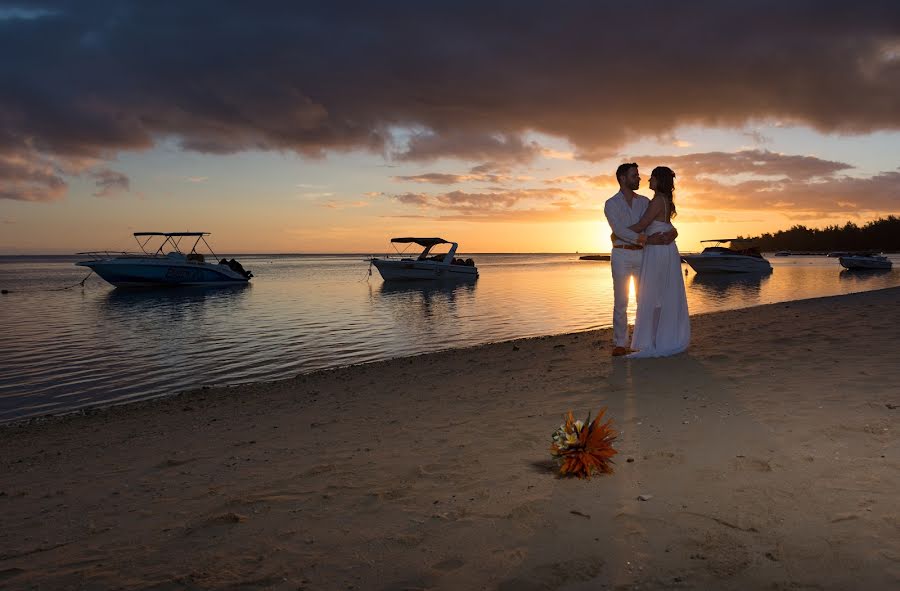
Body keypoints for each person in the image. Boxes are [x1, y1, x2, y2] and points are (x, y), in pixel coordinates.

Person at [603, 163, 676, 356]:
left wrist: (672, 232)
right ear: (622, 178)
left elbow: (660, 221)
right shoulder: (611, 204)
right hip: (621, 255)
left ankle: (646, 339)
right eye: (634, 176)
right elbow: (618, 230)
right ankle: (620, 342)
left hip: (644, 254)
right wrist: (646, 238)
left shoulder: (645, 201)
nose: (639, 178)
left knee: (646, 298)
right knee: (621, 300)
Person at [626, 166, 690, 357]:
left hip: (658, 252)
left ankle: (657, 340)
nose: (648, 181)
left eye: (652, 178)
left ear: (659, 180)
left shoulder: (657, 201)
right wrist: (674, 232)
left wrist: (619, 232)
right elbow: (668, 225)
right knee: (662, 294)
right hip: (665, 250)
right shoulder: (665, 201)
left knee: (655, 294)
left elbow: (641, 225)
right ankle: (661, 337)